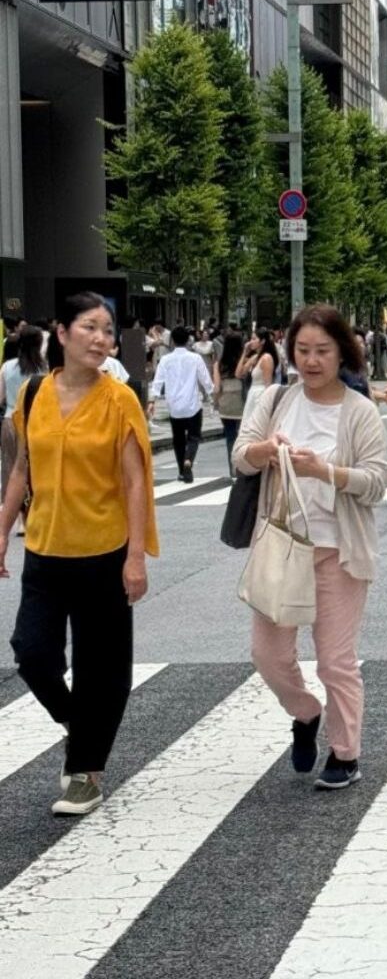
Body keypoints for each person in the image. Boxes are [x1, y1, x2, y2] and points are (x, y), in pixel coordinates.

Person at [0, 291, 157, 816]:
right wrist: (2, 531)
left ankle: (85, 773)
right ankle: (77, 722)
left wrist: (135, 557)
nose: (101, 338)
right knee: (33, 652)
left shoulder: (120, 399)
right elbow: (23, 468)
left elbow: (136, 484)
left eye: (107, 330)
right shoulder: (33, 393)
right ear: (60, 334)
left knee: (103, 668)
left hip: (104, 550)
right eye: (89, 327)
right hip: (45, 548)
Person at [233, 304, 387, 790]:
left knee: (334, 660)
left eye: (323, 350)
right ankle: (305, 712)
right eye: (302, 350)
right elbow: (242, 456)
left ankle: (345, 753)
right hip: (283, 546)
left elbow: (376, 482)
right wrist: (268, 451)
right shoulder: (277, 399)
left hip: (339, 551)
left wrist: (323, 471)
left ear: (343, 351)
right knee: (268, 655)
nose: (312, 360)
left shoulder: (360, 411)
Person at [148, 325, 213, 484]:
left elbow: (158, 381)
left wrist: (152, 400)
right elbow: (205, 379)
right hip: (192, 405)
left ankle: (181, 471)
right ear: (188, 340)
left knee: (178, 439)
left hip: (174, 406)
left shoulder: (165, 359)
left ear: (172, 341)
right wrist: (212, 393)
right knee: (194, 436)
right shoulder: (195, 358)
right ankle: (188, 460)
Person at [1, 325, 47, 535]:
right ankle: (32, 514)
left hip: (11, 420)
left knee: (13, 470)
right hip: (37, 421)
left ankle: (20, 520)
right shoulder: (43, 368)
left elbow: (0, 397)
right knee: (36, 470)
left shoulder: (7, 367)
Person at [213, 331, 247, 475]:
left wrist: (216, 403)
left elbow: (216, 387)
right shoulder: (244, 361)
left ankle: (232, 468)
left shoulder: (219, 364)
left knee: (230, 437)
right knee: (243, 436)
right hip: (242, 400)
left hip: (225, 402)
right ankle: (242, 467)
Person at [238, 329, 279, 421]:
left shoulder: (266, 358)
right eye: (251, 339)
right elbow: (239, 373)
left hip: (260, 395)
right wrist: (244, 352)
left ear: (262, 341)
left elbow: (268, 384)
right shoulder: (255, 357)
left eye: (254, 339)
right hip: (253, 393)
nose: (251, 342)